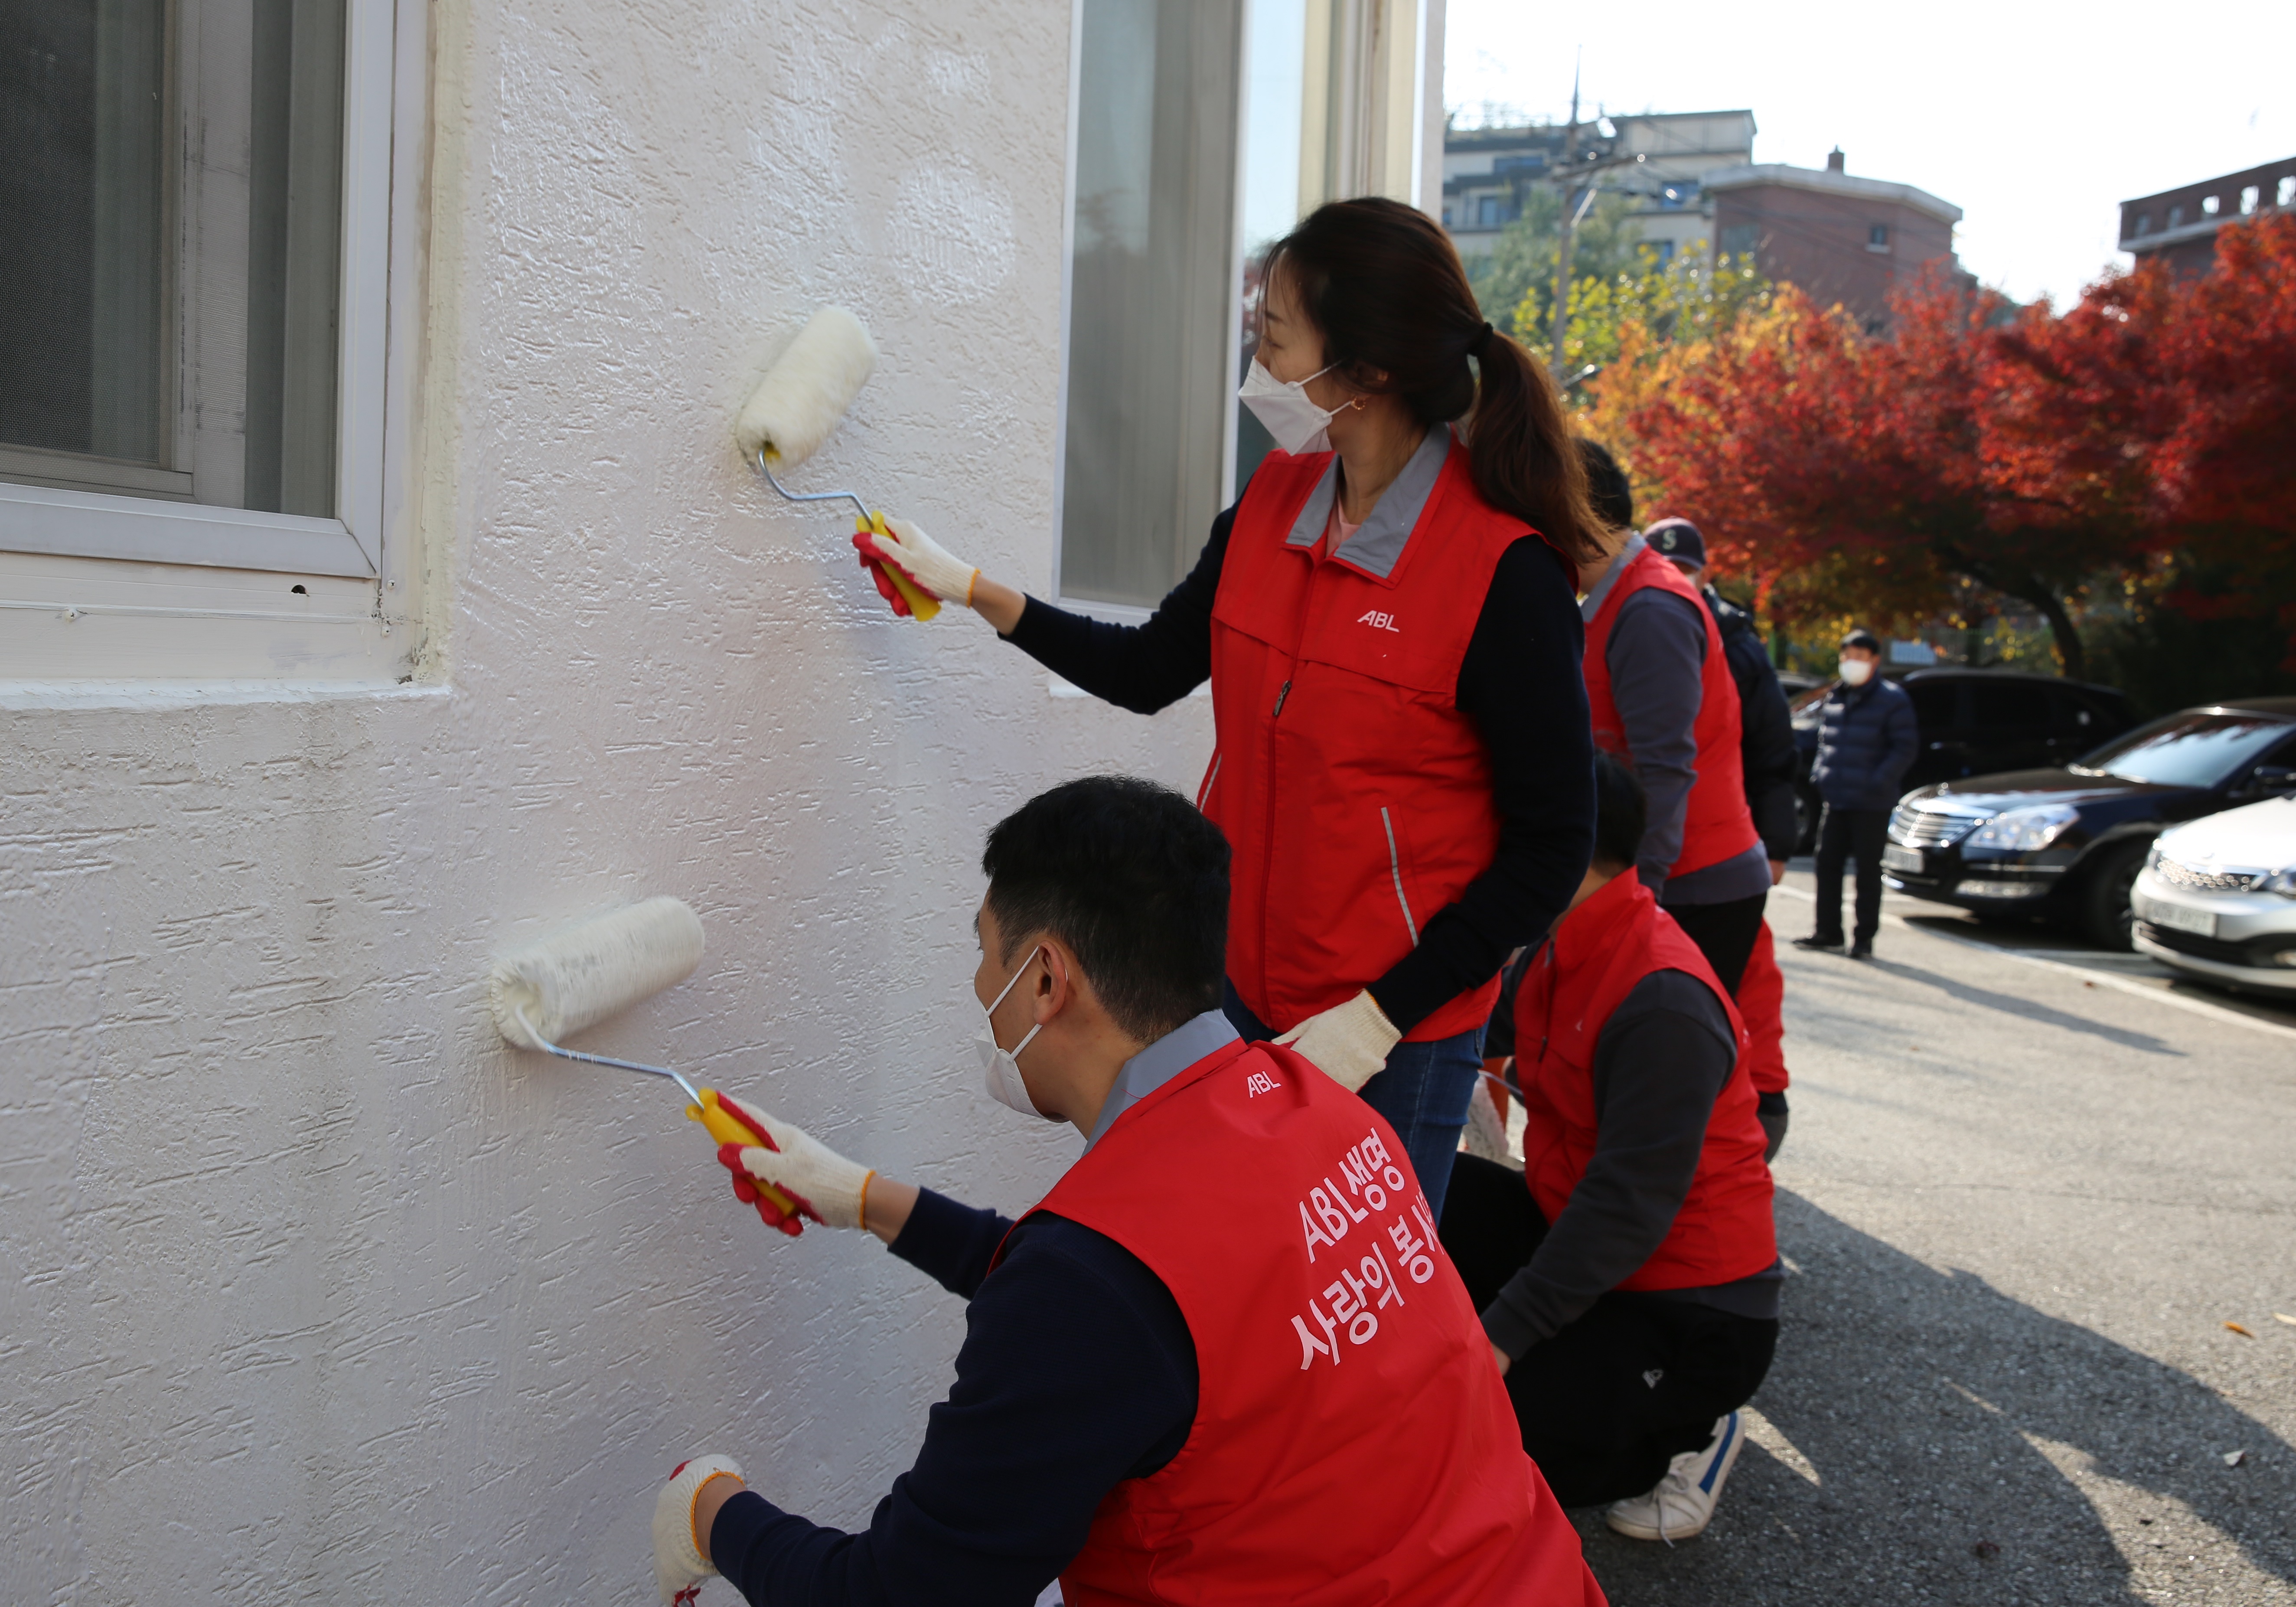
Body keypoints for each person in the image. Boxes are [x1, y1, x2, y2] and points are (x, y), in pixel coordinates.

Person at [651, 776, 1604, 1607]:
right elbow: (1146, 1328)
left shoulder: (1093, 1285)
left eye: (985, 950)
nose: (977, 981)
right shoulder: (1324, 1112)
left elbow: (897, 1594)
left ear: (1046, 977)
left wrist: (709, 1506)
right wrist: (861, 1195)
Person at [851, 198, 1599, 1216]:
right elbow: (1152, 664)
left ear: (1366, 371)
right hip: (1231, 993)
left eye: (1273, 333)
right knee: (1229, 1278)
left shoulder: (1500, 572)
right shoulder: (1272, 503)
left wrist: (1379, 1018)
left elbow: (1552, 846)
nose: (1254, 356)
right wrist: (974, 588)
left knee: (1343, 1332)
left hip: (1391, 1036)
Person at [1443, 755, 1779, 1545]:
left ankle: (1687, 1433)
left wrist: (1499, 1339)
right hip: (1579, 1231)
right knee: (1424, 1197)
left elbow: (1626, 1208)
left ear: (1562, 843)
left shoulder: (1662, 998)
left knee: (1479, 1445)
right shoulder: (1559, 940)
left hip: (1690, 1308)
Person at [1572, 445, 1770, 996]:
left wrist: (1639, 899)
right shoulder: (1622, 597)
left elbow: (1664, 770)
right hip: (1671, 876)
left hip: (1691, 883)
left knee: (1672, 1068)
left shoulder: (1649, 610)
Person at [1647, 516, 1795, 1158]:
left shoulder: (1735, 639)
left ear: (1705, 573)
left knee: (1731, 1000)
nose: (1676, 577)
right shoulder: (1645, 617)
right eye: (1666, 564)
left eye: (1687, 568)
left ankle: (1754, 1118)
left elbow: (1771, 747)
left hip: (1718, 846)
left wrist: (1778, 840)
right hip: (1681, 842)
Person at [1796, 629, 1918, 960]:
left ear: (1875, 661)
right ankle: (1828, 931)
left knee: (1866, 872)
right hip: (1836, 798)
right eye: (1848, 656)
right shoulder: (1837, 696)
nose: (1852, 663)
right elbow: (1826, 741)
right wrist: (1821, 774)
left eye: (1860, 657)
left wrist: (1879, 781)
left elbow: (1904, 747)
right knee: (1827, 865)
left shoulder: (1892, 700)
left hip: (1872, 802)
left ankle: (1864, 938)